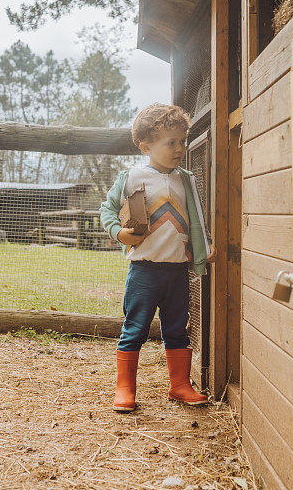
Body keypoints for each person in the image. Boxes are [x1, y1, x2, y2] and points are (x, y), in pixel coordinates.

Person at [100, 103, 216, 413]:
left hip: (177, 271)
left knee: (178, 328)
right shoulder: (132, 177)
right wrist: (118, 233)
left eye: (182, 141)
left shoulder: (185, 179)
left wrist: (204, 246)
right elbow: (107, 210)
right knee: (135, 327)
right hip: (144, 271)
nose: (179, 148)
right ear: (146, 146)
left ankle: (179, 386)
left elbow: (197, 218)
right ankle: (125, 388)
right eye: (171, 142)